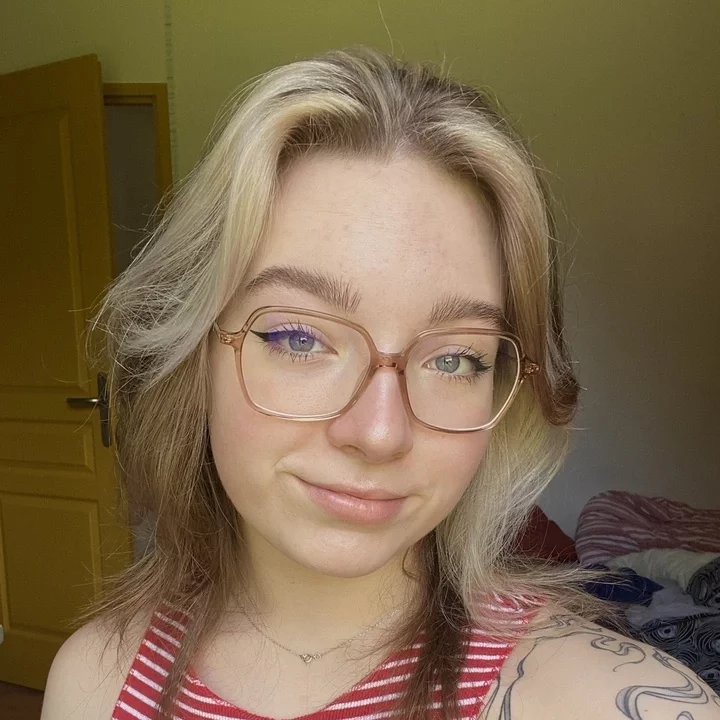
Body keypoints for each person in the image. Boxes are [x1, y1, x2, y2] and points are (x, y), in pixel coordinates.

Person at [41, 47, 719, 720]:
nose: (380, 433)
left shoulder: (610, 702)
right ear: (196, 354)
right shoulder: (95, 685)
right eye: (300, 338)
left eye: (454, 358)